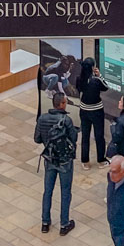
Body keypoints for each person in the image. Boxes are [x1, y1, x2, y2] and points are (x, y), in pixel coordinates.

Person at [34, 91, 78, 236]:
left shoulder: (42, 118)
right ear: (62, 104)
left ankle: (45, 222)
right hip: (65, 161)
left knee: (48, 191)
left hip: (49, 159)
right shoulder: (66, 120)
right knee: (65, 192)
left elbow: (37, 139)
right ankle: (64, 224)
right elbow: (74, 138)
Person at [77, 57, 109, 169]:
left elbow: (79, 89)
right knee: (99, 136)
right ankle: (101, 160)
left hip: (84, 109)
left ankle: (85, 161)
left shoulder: (79, 79)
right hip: (96, 110)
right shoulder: (96, 81)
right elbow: (106, 87)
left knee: (85, 136)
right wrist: (99, 75)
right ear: (92, 67)